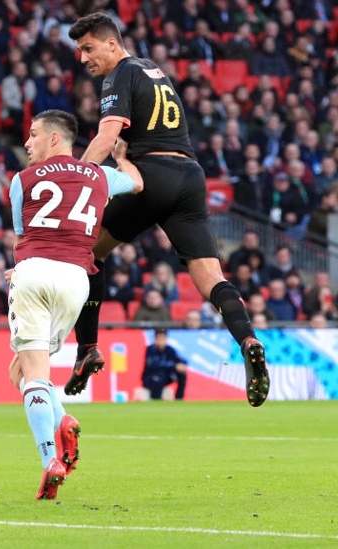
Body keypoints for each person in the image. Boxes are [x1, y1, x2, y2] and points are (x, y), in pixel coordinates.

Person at [66, 13, 270, 407]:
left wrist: (77, 179)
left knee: (90, 253)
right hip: (190, 176)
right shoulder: (154, 71)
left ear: (112, 44)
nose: (83, 58)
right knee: (211, 277)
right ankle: (247, 339)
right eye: (79, 50)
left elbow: (107, 136)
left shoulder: (119, 74)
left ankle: (87, 347)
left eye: (88, 48)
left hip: (151, 174)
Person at [5, 110, 142, 500]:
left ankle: (50, 457)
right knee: (20, 370)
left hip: (33, 273)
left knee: (30, 374)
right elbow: (136, 184)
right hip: (76, 281)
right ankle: (62, 417)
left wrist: (22, 269)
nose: (27, 143)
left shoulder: (22, 180)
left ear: (53, 139)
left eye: (32, 135)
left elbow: (21, 239)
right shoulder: (99, 176)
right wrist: (123, 158)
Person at [136, 330, 188, 401]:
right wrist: (173, 367)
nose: (161, 341)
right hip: (150, 377)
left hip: (165, 377)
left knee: (182, 374)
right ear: (155, 339)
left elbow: (180, 359)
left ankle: (179, 399)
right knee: (160, 375)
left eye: (163, 338)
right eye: (159, 338)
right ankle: (156, 399)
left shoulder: (169, 350)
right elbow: (153, 365)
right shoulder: (150, 350)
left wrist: (182, 365)